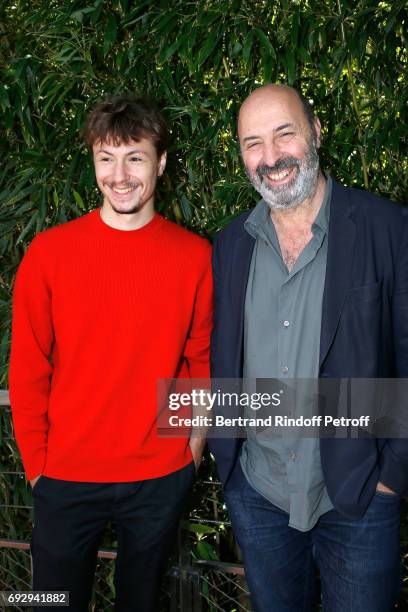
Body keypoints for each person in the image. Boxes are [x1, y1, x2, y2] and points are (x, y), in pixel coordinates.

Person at [9, 95, 212, 611]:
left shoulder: (195, 257)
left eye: (135, 157)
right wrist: (39, 468)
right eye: (106, 158)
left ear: (161, 163)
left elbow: (200, 363)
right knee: (50, 601)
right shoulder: (49, 253)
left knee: (141, 603)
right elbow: (29, 368)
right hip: (66, 477)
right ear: (94, 163)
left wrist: (188, 454)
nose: (119, 175)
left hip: (158, 476)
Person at [209, 84, 408, 611]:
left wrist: (393, 475)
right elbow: (222, 361)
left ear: (316, 132)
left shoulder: (389, 229)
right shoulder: (230, 245)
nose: (270, 157)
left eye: (283, 134)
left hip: (359, 496)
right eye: (253, 143)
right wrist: (226, 463)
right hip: (258, 494)